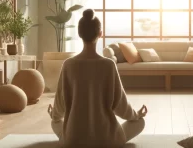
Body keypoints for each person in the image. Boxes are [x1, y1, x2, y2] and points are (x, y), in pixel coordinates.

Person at [48, 9, 147, 148]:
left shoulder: (68, 65)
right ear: (100, 34)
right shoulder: (109, 65)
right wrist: (136, 115)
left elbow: (60, 105)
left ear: (79, 34)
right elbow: (121, 106)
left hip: (73, 141)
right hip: (107, 141)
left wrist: (54, 115)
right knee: (140, 122)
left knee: (54, 122)